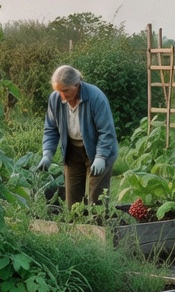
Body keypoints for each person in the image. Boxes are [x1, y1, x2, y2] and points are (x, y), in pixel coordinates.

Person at [37, 65, 118, 207]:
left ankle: (99, 226)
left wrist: (100, 157)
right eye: (58, 91)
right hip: (72, 150)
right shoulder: (55, 99)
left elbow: (106, 132)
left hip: (99, 149)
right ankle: (75, 227)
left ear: (77, 85)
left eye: (66, 91)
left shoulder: (96, 97)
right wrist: (47, 153)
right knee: (73, 201)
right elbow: (51, 128)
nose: (62, 95)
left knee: (97, 199)